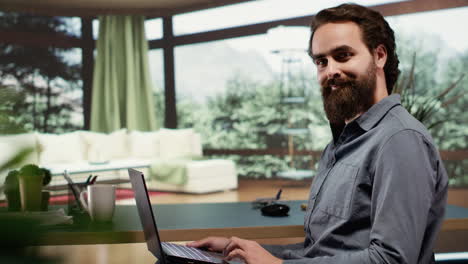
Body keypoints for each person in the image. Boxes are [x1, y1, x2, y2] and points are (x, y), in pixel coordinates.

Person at [188, 3, 448, 264]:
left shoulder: (400, 140)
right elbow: (320, 253)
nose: (330, 71)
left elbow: (392, 259)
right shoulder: (340, 145)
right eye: (321, 61)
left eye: (343, 55)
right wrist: (243, 251)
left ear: (380, 56)